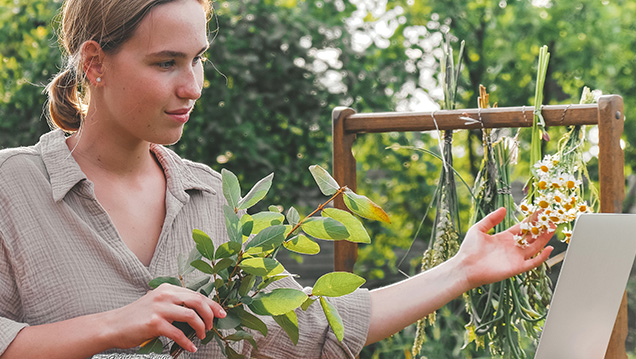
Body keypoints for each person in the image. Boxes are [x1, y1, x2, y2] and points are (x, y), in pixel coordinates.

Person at [0, 0, 555, 358]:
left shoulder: (212, 200)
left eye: (198, 60)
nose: (193, 86)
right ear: (94, 64)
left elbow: (322, 325)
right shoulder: (12, 189)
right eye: (166, 62)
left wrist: (465, 268)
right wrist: (113, 326)